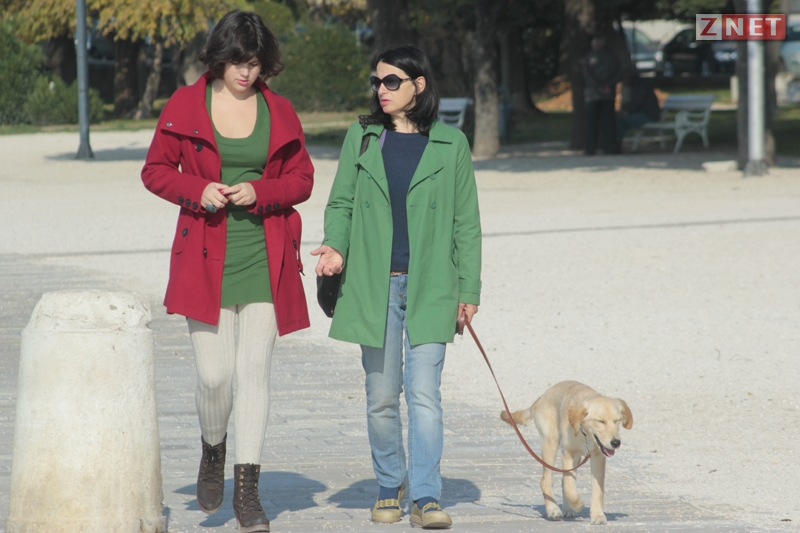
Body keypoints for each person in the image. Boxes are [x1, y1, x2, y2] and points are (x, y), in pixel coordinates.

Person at [141, 10, 313, 532]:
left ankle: (248, 492)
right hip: (202, 257)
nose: (246, 72)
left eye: (255, 63)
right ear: (219, 58)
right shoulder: (184, 103)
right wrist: (197, 190)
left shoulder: (279, 110)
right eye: (238, 61)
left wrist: (262, 190)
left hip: (266, 252)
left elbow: (302, 179)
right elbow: (155, 171)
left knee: (254, 372)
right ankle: (212, 449)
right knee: (214, 376)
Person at [311, 45, 481, 529]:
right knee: (382, 397)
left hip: (433, 287)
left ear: (418, 85)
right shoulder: (363, 137)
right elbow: (341, 203)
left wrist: (469, 291)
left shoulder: (452, 143)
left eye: (391, 81)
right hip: (373, 285)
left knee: (424, 394)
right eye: (377, 81)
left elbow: (467, 224)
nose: (380, 90)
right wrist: (335, 246)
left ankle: (426, 495)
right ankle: (391, 485)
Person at [583, 36, 622, 155]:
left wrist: (598, 86)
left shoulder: (589, 57)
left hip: (592, 95)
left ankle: (590, 149)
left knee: (591, 123)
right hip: (608, 94)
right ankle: (609, 148)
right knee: (609, 123)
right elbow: (619, 74)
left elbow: (587, 75)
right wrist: (608, 85)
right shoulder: (613, 57)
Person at [615, 71, 661, 150]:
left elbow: (636, 103)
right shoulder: (637, 86)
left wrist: (625, 111)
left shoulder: (640, 87)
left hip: (648, 115)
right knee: (620, 120)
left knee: (620, 121)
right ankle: (616, 143)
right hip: (644, 113)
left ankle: (616, 144)